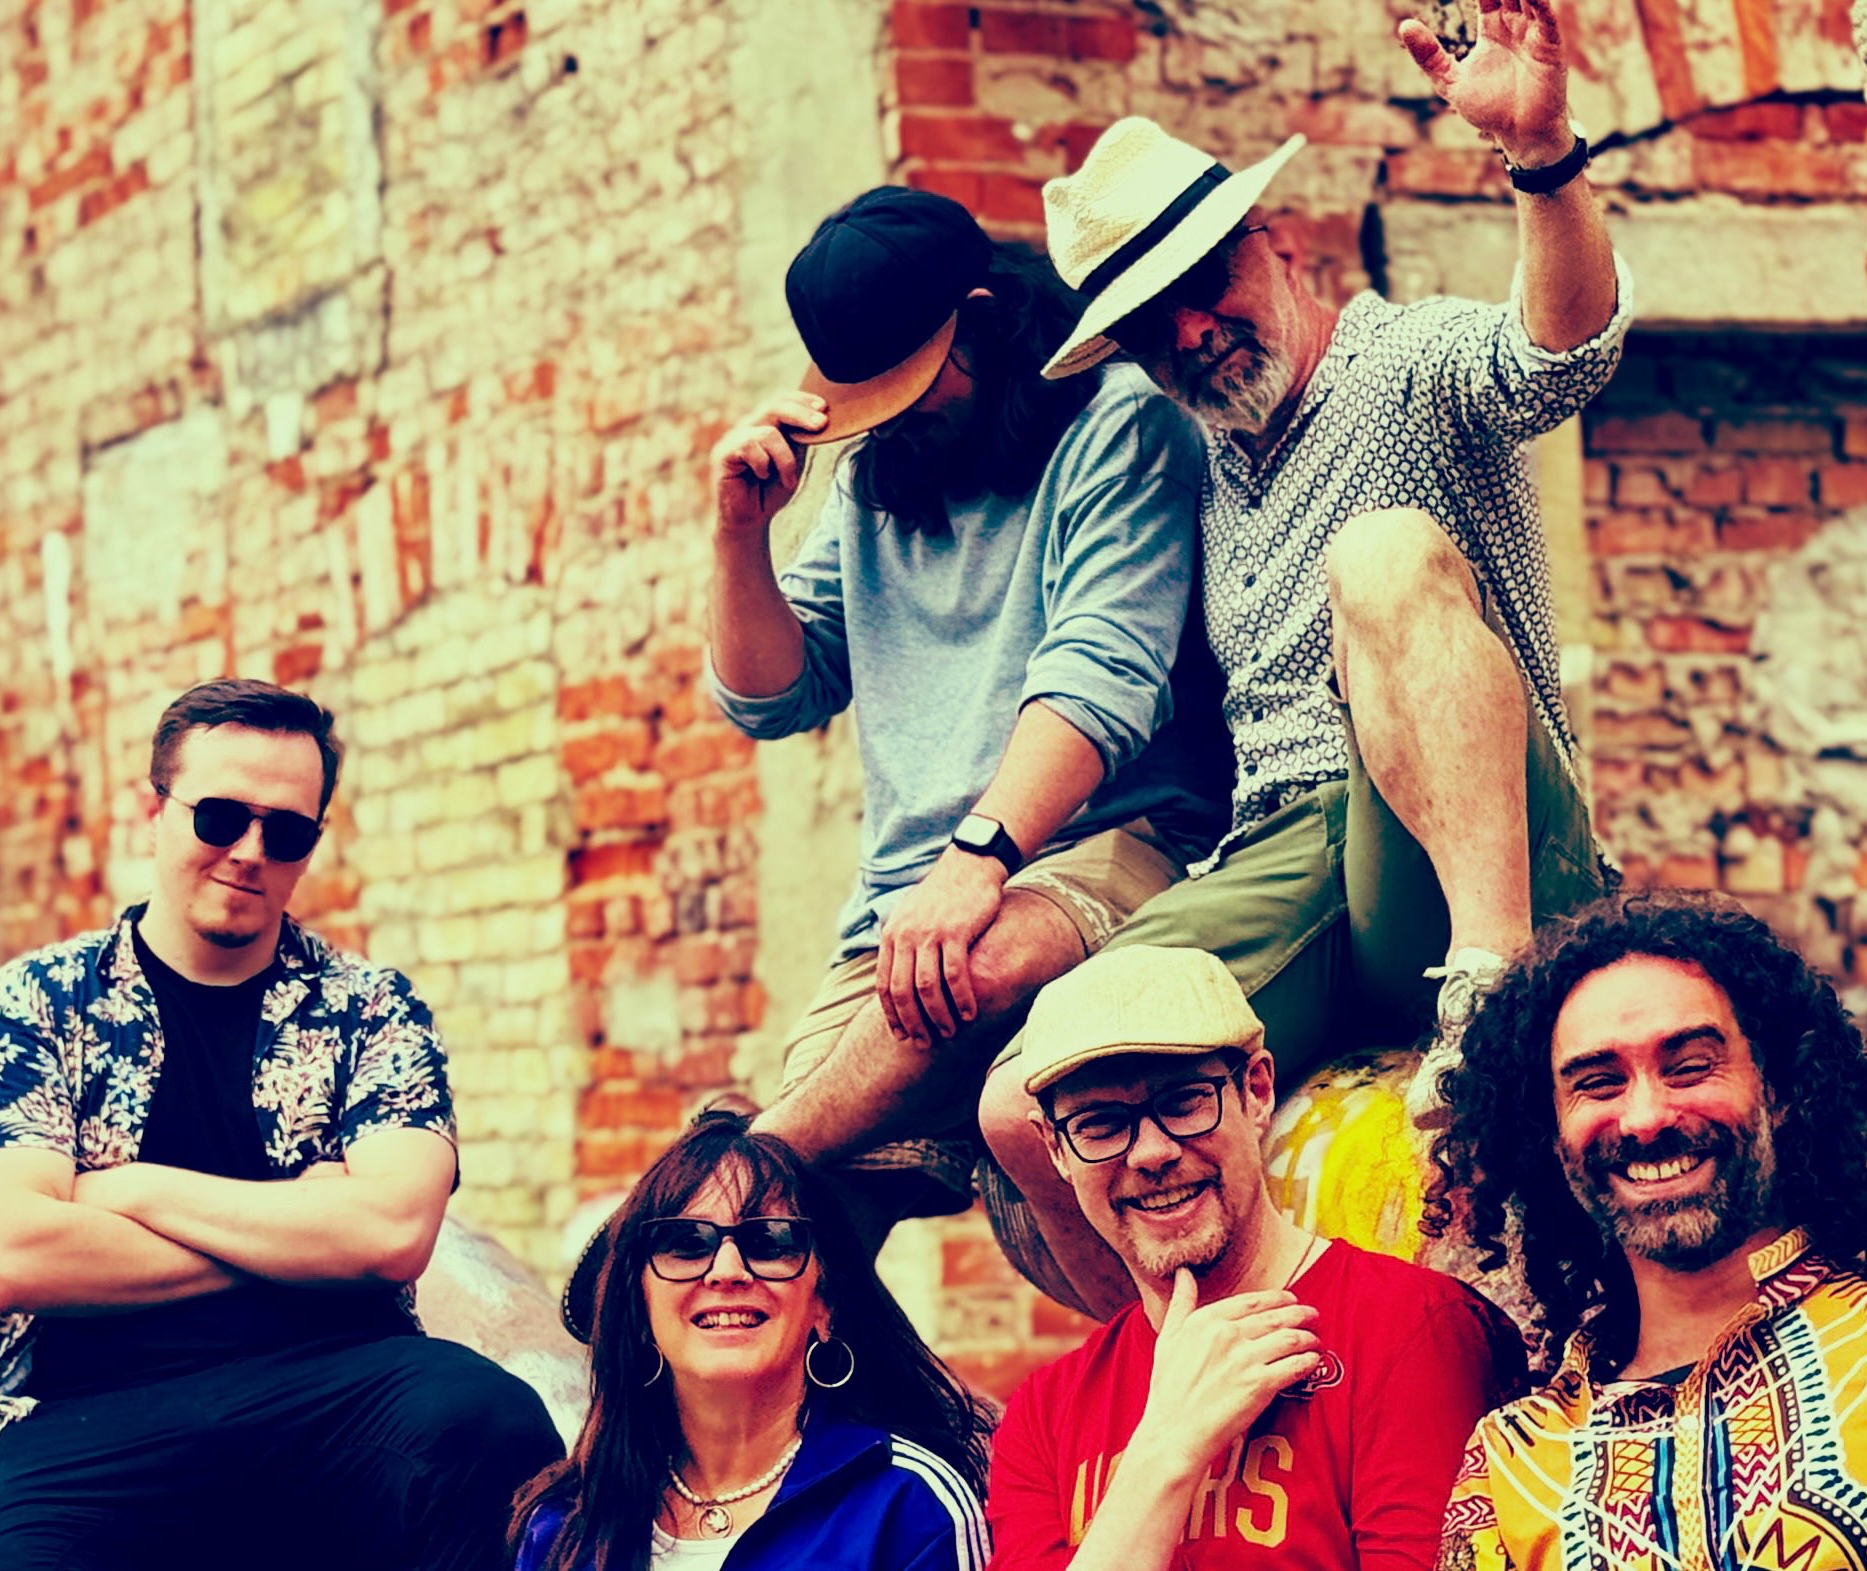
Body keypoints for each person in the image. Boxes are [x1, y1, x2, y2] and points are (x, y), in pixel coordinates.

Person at [982, 0, 1629, 1317]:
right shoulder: (1212, 470)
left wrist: (1544, 152)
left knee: (1382, 549)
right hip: (1286, 863)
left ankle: (1498, 1001)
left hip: (1468, 840)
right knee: (1018, 1101)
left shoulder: (1401, 361)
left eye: (1201, 291)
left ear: (1269, 240)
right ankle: (1178, 1383)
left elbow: (1558, 355)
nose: (1190, 334)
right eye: (1149, 327)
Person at [0, 678, 562, 1571]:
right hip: (92, 1409)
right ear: (153, 812)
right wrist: (300, 1235)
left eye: (287, 830)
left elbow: (388, 1234)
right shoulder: (41, 1000)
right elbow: (15, 1255)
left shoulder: (371, 1008)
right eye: (220, 815)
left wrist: (132, 1191)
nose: (249, 851)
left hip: (340, 1384)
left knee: (488, 1421)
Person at [708, 185, 1226, 1253]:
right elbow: (772, 694)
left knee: (958, 980)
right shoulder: (875, 477)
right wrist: (738, 533)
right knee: (784, 1240)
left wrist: (976, 858)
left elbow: (1102, 672)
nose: (891, 418)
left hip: (1104, 841)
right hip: (915, 902)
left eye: (909, 384)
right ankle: (938, 1417)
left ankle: (730, 1166)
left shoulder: (1114, 419)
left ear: (983, 319)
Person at [1428, 892, 1867, 1571]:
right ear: (1552, 1137)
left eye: (1689, 1066)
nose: (1645, 1116)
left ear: (1777, 1088)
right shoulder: (1511, 1461)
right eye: (1598, 1083)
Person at [985, 945, 1526, 1570]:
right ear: (1055, 1149)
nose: (1151, 1152)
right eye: (1101, 1124)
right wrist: (1168, 1449)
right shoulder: (1045, 1416)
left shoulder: (1412, 1331)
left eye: (1183, 1102)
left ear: (1256, 1092)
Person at [521, 1106, 991, 1570]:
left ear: (824, 1305)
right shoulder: (563, 1528)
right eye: (686, 1243)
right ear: (640, 1308)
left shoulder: (911, 1506)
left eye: (770, 1241)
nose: (727, 1271)